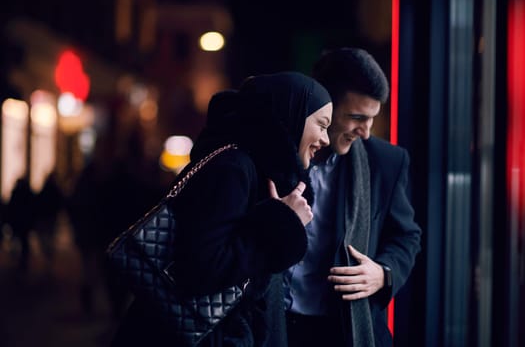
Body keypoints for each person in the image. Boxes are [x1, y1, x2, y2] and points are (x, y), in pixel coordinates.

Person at [110, 71, 333, 347]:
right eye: (321, 125)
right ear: (292, 116)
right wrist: (283, 222)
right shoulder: (233, 168)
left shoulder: (258, 172)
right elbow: (201, 267)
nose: (326, 140)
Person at [278, 48, 422, 347]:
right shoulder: (275, 156)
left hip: (343, 330)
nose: (366, 132)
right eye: (356, 117)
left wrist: (383, 274)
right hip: (275, 325)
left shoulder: (387, 162)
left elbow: (406, 237)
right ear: (324, 106)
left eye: (371, 119)